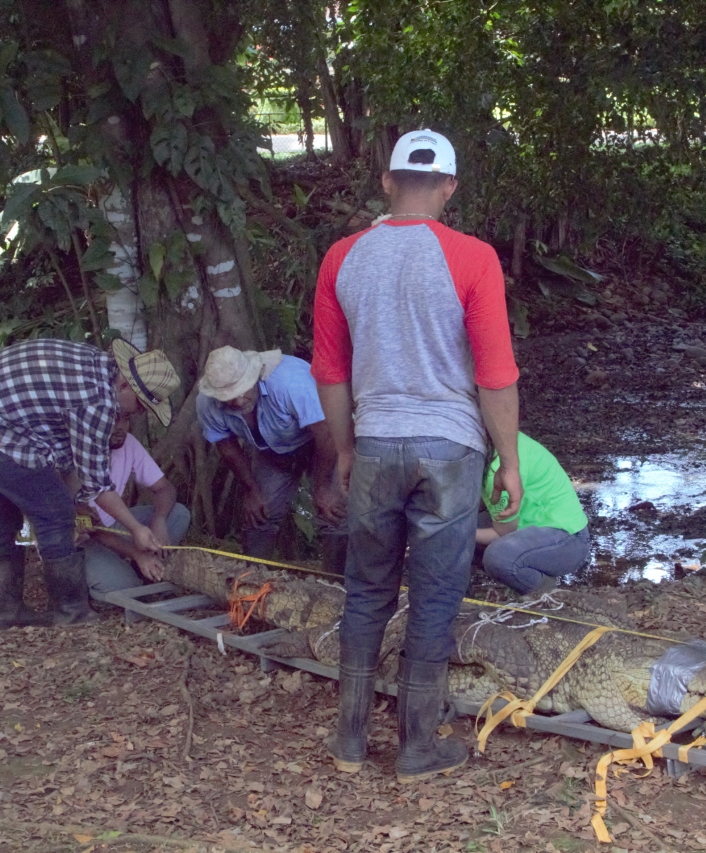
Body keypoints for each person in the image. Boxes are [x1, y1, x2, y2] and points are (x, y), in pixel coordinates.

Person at [312, 128, 522, 783]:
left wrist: (346, 447)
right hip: (450, 449)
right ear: (449, 187)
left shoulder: (341, 258)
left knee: (366, 589)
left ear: (387, 180)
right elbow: (495, 372)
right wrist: (509, 460)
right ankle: (416, 748)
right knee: (433, 598)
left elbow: (330, 370)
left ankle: (348, 740)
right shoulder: (474, 257)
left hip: (375, 442)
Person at [0, 337, 179, 629]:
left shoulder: (98, 366)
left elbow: (68, 458)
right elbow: (96, 484)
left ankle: (5, 611)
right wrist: (136, 529)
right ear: (126, 385)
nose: (136, 414)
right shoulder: (97, 401)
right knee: (56, 514)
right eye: (140, 405)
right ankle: (71, 611)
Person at [196, 345, 346, 568]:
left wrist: (322, 486)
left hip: (321, 445)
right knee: (259, 515)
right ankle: (253, 581)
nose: (237, 402)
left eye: (242, 391)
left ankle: (337, 585)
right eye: (229, 397)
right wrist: (252, 490)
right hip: (273, 452)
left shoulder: (290, 382)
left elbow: (326, 434)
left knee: (334, 513)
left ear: (254, 377)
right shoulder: (206, 403)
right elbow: (227, 448)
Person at [80, 415, 192, 607]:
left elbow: (165, 488)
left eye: (124, 419)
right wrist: (137, 553)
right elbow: (95, 530)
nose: (119, 427)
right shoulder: (80, 449)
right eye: (112, 419)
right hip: (83, 539)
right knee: (127, 590)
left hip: (114, 527)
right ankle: (86, 583)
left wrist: (159, 520)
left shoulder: (128, 444)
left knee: (178, 514)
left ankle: (146, 570)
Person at [477, 432, 590, 596]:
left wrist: (454, 532)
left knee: (498, 557)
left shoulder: (498, 472)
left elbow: (502, 532)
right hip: (533, 527)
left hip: (568, 539)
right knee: (461, 527)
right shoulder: (499, 439)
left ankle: (546, 593)